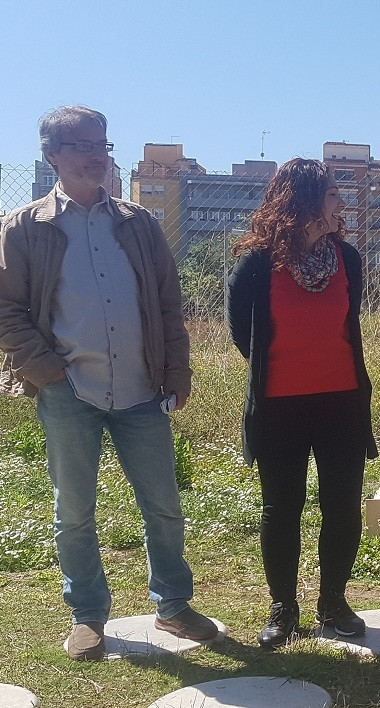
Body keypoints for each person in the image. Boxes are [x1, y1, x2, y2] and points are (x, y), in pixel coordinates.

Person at [0, 106, 217, 660]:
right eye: (82, 146)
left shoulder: (138, 223)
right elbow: (6, 311)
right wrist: (47, 370)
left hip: (143, 390)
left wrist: (178, 370)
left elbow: (170, 305)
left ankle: (172, 605)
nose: (98, 155)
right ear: (53, 157)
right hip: (69, 392)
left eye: (104, 144)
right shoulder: (25, 228)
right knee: (73, 509)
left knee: (164, 504)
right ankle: (88, 615)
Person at [227, 158, 378, 648]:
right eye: (333, 194)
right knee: (282, 508)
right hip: (278, 407)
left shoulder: (348, 259)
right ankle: (283, 607)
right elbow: (242, 334)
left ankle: (333, 601)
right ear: (306, 202)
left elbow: (347, 324)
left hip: (341, 403)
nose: (341, 203)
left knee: (343, 508)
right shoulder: (255, 265)